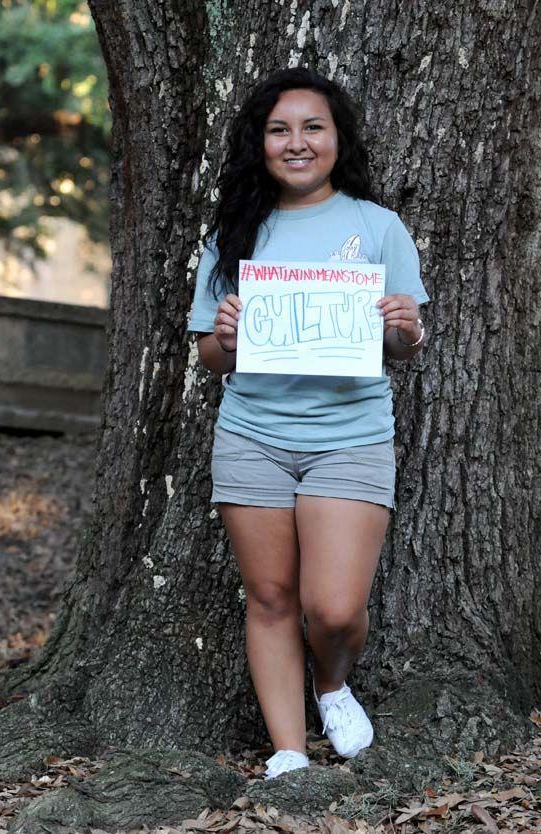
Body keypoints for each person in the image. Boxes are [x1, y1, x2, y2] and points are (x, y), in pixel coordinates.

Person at [187, 67, 430, 780]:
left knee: (331, 609)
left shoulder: (376, 227)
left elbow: (406, 346)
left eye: (312, 127)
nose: (297, 143)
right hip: (252, 435)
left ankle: (332, 682)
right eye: (279, 129)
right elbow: (207, 354)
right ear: (260, 144)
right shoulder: (232, 234)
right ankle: (288, 750)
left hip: (349, 436)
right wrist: (226, 336)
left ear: (336, 138)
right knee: (268, 597)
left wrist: (404, 327)